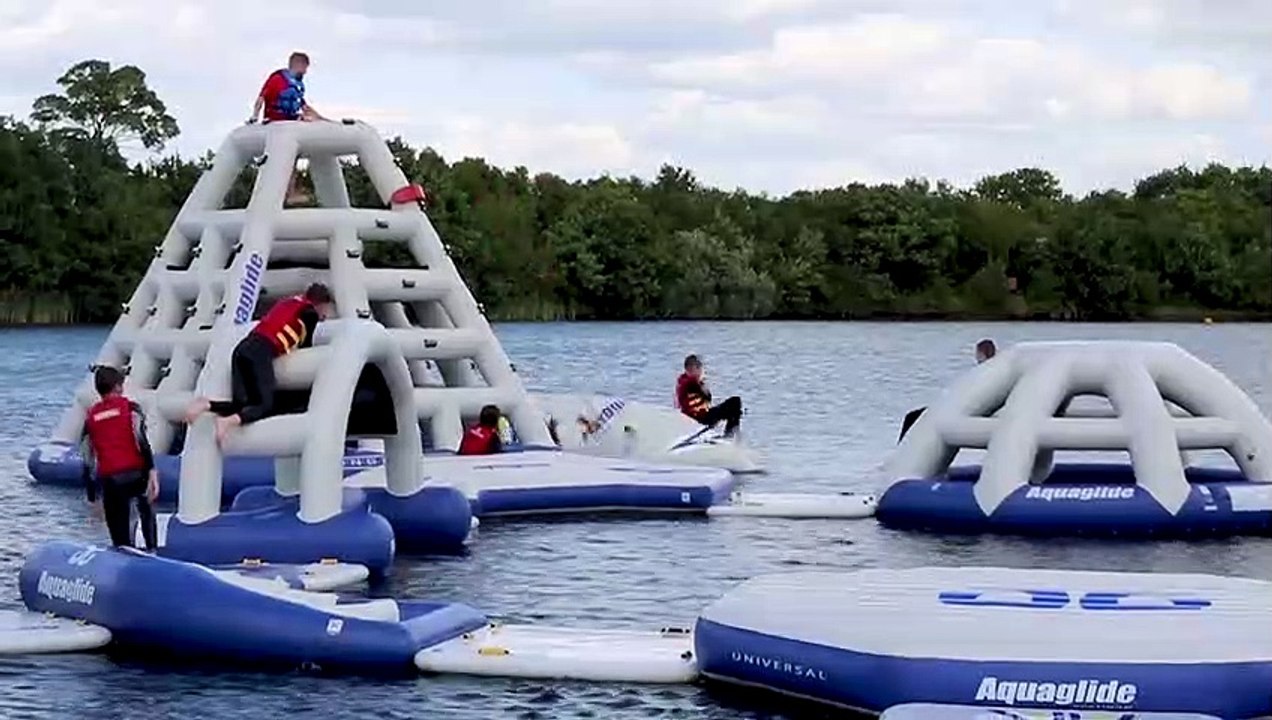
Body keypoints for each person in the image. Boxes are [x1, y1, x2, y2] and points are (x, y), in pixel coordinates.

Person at [186, 283, 335, 445]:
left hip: (242, 348)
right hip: (261, 351)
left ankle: (206, 404)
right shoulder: (309, 313)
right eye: (325, 309)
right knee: (265, 405)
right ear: (321, 304)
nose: (325, 314)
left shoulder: (289, 302)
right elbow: (307, 346)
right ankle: (226, 422)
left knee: (241, 404)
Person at [80, 366, 158, 551]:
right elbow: (141, 441)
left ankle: (122, 552)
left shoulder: (90, 418)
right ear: (118, 387)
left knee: (118, 531)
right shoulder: (131, 409)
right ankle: (152, 550)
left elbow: (87, 459)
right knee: (145, 510)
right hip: (136, 475)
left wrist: (92, 497)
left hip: (111, 482)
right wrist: (152, 471)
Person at [249, 51, 327, 205]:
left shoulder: (298, 85)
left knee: (296, 153)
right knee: (287, 153)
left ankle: (291, 191)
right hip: (276, 121)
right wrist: (254, 116)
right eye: (305, 68)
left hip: (292, 121)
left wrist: (323, 119)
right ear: (298, 64)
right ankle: (286, 192)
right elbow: (261, 98)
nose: (305, 72)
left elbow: (304, 106)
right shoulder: (277, 79)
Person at [675, 354, 742, 437]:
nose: (701, 371)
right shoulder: (690, 382)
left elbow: (707, 399)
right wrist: (702, 384)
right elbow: (706, 395)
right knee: (735, 402)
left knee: (732, 409)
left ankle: (730, 432)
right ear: (691, 369)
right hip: (701, 418)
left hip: (700, 415)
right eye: (699, 368)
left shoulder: (683, 381)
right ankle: (730, 435)